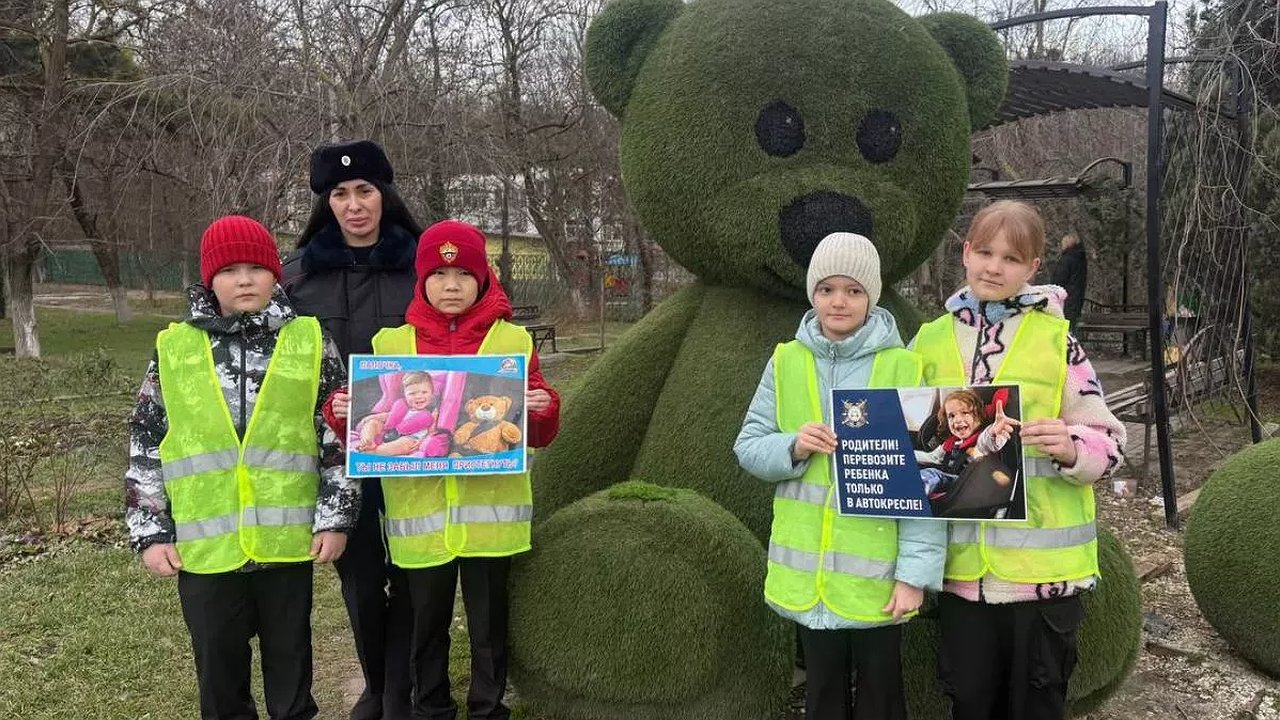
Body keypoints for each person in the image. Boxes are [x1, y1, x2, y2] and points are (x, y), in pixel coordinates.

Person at [125, 215, 354, 720]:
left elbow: (339, 434)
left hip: (286, 542)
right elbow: (146, 437)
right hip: (205, 547)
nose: (244, 279)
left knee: (290, 663)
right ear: (210, 279)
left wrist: (335, 517)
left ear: (276, 274)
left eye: (256, 267)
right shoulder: (175, 348)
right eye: (229, 270)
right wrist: (151, 530)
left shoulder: (310, 341)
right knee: (219, 670)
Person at [334, 218, 560, 720]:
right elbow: (368, 418)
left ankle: (487, 708)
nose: (450, 286)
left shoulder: (512, 343)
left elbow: (537, 432)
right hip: (422, 521)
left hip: (489, 522)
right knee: (424, 626)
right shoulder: (390, 345)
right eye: (437, 275)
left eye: (462, 275)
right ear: (421, 281)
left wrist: (543, 408)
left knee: (488, 628)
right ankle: (431, 707)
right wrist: (343, 411)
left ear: (483, 279)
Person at [911, 200, 1127, 720]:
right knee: (968, 701)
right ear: (964, 253)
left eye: (1012, 258)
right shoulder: (927, 339)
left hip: (1042, 578)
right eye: (984, 251)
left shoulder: (1059, 342)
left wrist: (1074, 446)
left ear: (1033, 268)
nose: (994, 266)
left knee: (1037, 704)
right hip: (961, 574)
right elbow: (905, 436)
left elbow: (1110, 439)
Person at [734, 232, 945, 720]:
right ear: (813, 294)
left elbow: (925, 483)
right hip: (808, 577)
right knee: (821, 697)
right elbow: (748, 446)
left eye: (852, 290)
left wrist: (914, 576)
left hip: (877, 576)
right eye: (827, 288)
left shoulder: (903, 367)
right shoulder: (786, 360)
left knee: (881, 697)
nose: (839, 301)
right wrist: (792, 445)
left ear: (871, 296)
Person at [282, 139, 422, 720]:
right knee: (362, 582)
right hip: (342, 458)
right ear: (325, 202)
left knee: (415, 570)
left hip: (419, 446)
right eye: (339, 193)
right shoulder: (295, 280)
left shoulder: (427, 269)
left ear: (384, 194)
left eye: (364, 190)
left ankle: (400, 690)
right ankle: (377, 682)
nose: (354, 204)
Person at [915, 389, 1018, 494]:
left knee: (933, 474)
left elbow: (988, 443)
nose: (957, 420)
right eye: (951, 416)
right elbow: (933, 457)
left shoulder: (982, 438)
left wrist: (993, 432)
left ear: (979, 415)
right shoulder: (952, 442)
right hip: (951, 481)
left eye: (965, 412)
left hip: (970, 486)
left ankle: (913, 491)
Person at [1050, 231, 1088, 330]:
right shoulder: (1080, 259)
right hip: (1075, 301)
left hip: (1065, 301)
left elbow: (1058, 280)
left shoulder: (1067, 259)